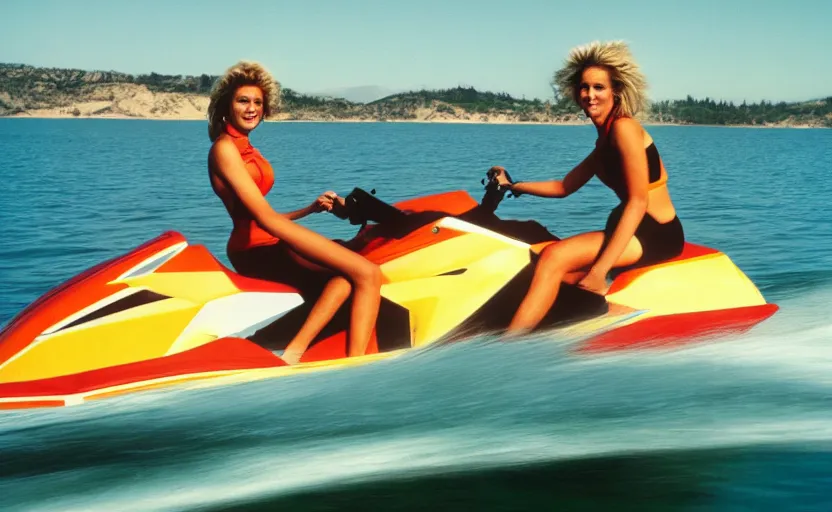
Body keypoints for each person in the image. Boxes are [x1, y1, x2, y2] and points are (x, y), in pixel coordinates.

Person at [489, 41, 685, 335]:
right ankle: (555, 330)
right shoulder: (603, 141)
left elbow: (637, 202)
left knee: (554, 257)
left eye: (598, 87)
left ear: (614, 91)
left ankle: (508, 349)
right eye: (584, 88)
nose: (590, 95)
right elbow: (564, 186)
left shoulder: (624, 129)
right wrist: (513, 185)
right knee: (553, 268)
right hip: (629, 227)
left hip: (655, 232)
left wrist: (598, 272)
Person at [207, 61, 382, 364]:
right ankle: (355, 368)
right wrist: (314, 241)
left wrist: (310, 210)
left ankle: (298, 351)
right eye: (243, 101)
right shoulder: (224, 149)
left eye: (258, 102)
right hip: (253, 249)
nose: (252, 109)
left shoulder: (248, 148)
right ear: (227, 104)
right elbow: (262, 220)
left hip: (270, 238)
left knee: (345, 277)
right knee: (368, 272)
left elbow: (261, 213)